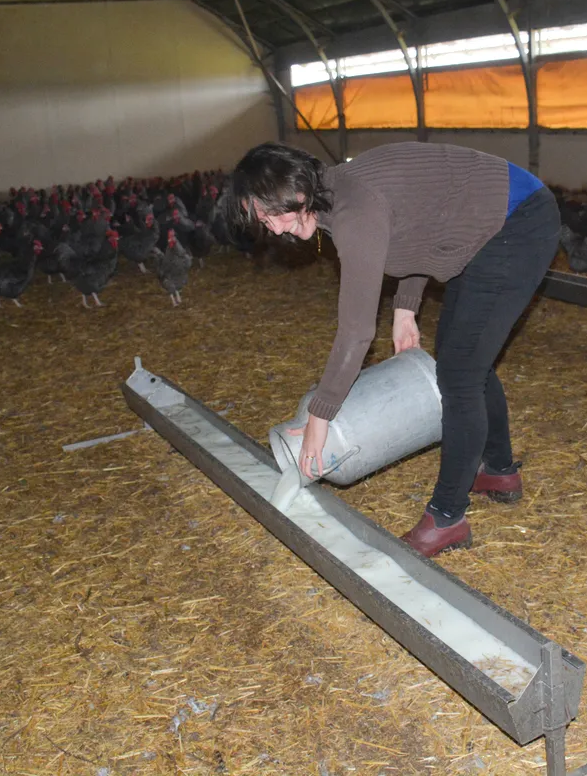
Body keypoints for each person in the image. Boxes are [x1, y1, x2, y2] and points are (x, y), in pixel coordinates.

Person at [229, 141, 560, 557]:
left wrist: (320, 415)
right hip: (483, 222)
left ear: (294, 192)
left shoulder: (354, 210)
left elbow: (356, 332)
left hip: (517, 220)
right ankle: (498, 470)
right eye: (262, 221)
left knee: (460, 373)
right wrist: (406, 307)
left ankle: (447, 518)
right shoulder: (334, 196)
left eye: (269, 214)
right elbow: (419, 225)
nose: (273, 230)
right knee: (465, 356)